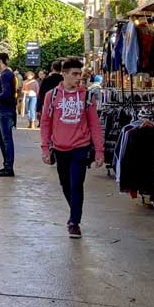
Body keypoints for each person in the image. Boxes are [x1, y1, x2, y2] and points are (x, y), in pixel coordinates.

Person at [39, 57, 104, 239]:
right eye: (74, 74)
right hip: (60, 148)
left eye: (79, 74)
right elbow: (45, 123)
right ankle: (74, 211)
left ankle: (74, 222)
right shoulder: (51, 96)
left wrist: (99, 150)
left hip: (80, 147)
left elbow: (94, 124)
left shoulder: (87, 96)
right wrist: (45, 148)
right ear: (64, 74)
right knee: (65, 184)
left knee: (77, 185)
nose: (78, 78)